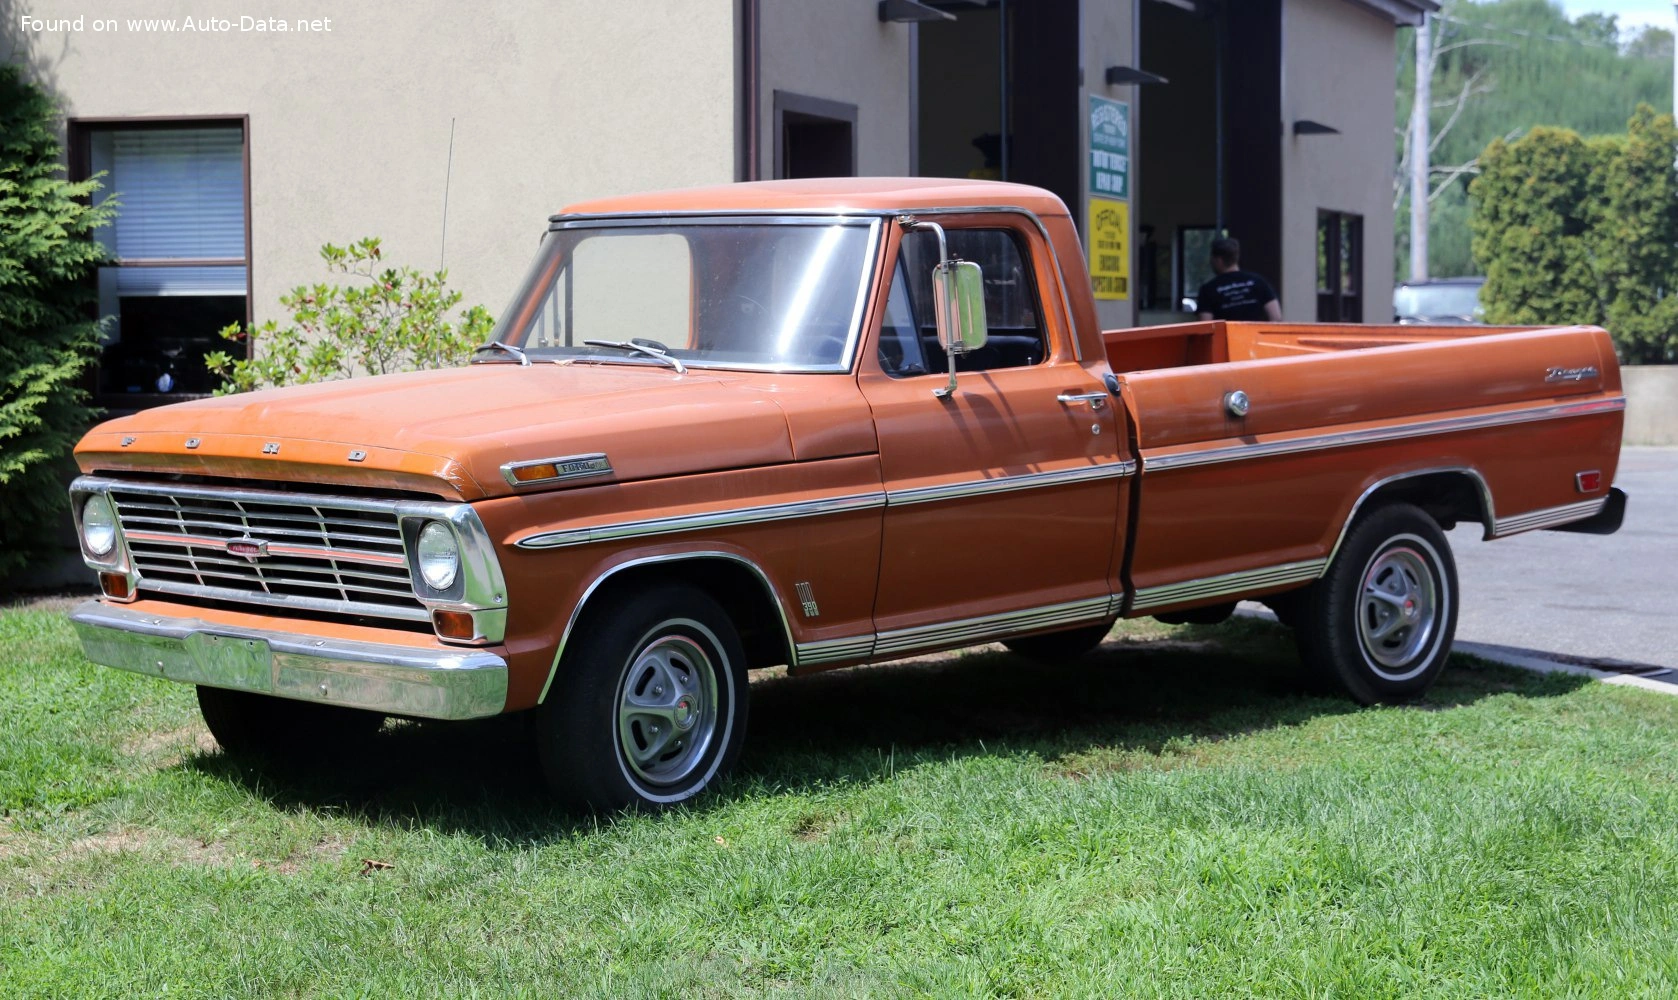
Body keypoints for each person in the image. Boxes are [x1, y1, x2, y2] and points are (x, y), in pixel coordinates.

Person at [1196, 237, 1282, 322]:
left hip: (1227, 335)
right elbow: (1276, 317)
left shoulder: (1208, 290)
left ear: (1218, 260)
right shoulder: (1258, 282)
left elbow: (1205, 325)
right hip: (1255, 335)